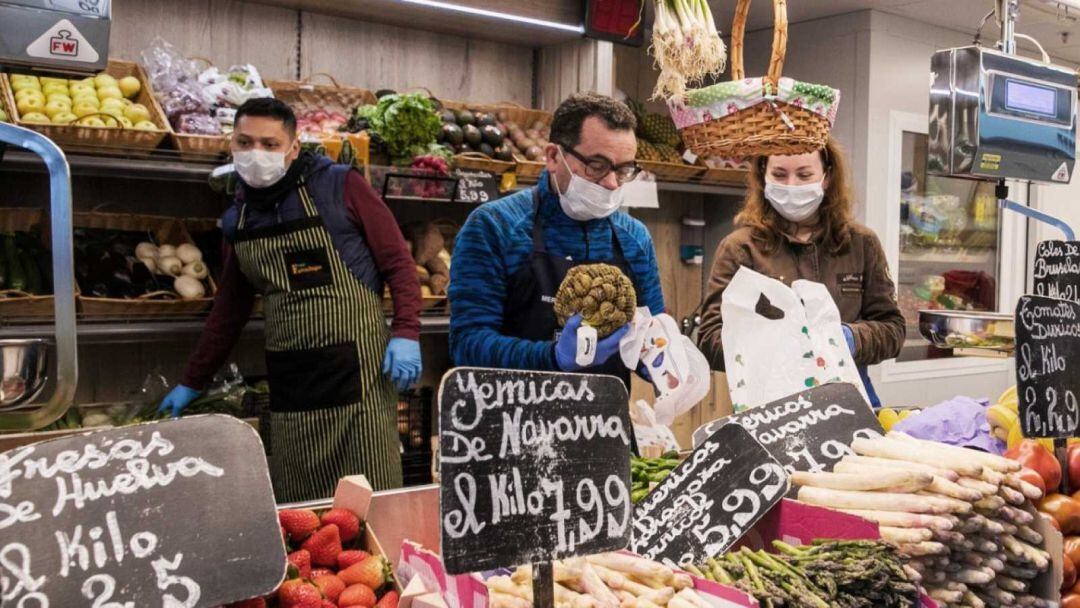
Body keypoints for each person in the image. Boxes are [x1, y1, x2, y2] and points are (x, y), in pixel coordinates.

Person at [158, 98, 421, 500]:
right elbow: (230, 310)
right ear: (231, 144)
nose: (255, 154)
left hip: (359, 380)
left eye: (269, 144)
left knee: (372, 501)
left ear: (293, 147)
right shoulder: (238, 219)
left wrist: (407, 331)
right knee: (299, 513)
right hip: (291, 385)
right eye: (244, 142)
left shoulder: (340, 186)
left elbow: (398, 263)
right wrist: (193, 380)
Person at [449, 93, 665, 386]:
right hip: (513, 422)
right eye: (597, 165)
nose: (612, 183)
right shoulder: (495, 227)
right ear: (553, 157)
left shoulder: (634, 238)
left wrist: (662, 362)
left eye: (624, 169)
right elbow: (467, 344)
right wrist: (551, 358)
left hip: (601, 423)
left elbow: (648, 338)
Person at [696, 137, 904, 406]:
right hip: (771, 407)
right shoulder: (739, 249)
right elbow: (710, 339)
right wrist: (778, 346)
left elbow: (893, 330)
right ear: (763, 176)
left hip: (850, 398)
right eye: (779, 175)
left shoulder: (861, 244)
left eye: (804, 175)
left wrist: (847, 339)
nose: (791, 186)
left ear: (826, 177)